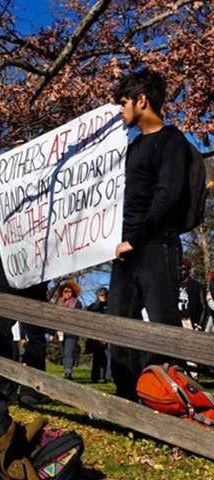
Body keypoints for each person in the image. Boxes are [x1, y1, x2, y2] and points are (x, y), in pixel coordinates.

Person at [109, 68, 190, 401]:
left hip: (156, 247)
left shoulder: (172, 141)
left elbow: (167, 196)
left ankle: (169, 401)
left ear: (141, 100)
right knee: (118, 326)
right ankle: (127, 398)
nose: (120, 109)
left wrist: (136, 239)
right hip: (123, 252)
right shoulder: (129, 148)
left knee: (163, 328)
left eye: (123, 101)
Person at [0, 173, 50, 406]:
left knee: (34, 329)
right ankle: (4, 385)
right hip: (7, 268)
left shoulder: (45, 191)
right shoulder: (5, 198)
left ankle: (33, 387)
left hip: (37, 265)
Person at [52, 280, 83, 380]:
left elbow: (76, 318)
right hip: (60, 331)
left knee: (69, 351)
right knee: (63, 352)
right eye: (65, 291)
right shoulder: (58, 302)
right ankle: (66, 370)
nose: (67, 293)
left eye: (69, 291)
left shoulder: (76, 303)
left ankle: (68, 372)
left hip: (71, 331)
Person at [86, 287, 111, 383]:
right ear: (98, 296)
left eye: (105, 295)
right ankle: (95, 377)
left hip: (108, 334)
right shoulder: (92, 307)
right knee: (97, 357)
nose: (103, 297)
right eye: (101, 295)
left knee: (108, 356)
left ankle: (107, 377)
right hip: (95, 335)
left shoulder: (110, 307)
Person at [178, 257, 206, 331]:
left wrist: (200, 325)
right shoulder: (173, 285)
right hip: (176, 322)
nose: (181, 271)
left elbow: (204, 307)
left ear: (188, 270)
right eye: (179, 269)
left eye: (183, 269)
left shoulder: (197, 286)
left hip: (191, 324)